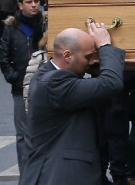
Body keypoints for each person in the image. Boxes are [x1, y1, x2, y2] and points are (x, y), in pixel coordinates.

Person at [19, 20, 126, 185]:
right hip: (61, 176)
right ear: (67, 56)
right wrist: (105, 45)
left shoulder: (47, 75)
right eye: (88, 57)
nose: (92, 62)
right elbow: (111, 84)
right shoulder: (54, 83)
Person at [0, 0, 45, 174]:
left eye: (36, 1)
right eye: (29, 2)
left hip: (45, 86)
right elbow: (4, 58)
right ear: (20, 5)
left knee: (45, 133)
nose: (34, 5)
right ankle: (26, 175)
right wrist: (15, 77)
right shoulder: (12, 28)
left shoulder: (47, 24)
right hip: (21, 88)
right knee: (23, 135)